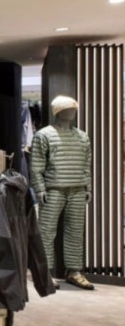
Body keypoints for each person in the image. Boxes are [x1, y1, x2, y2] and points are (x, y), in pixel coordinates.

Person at [31, 95, 94, 290]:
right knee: (46, 231)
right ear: (58, 111)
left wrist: (88, 187)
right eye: (68, 108)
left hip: (77, 189)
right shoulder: (44, 135)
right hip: (53, 189)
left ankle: (74, 271)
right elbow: (36, 165)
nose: (72, 111)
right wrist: (40, 188)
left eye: (74, 108)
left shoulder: (82, 136)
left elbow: (86, 164)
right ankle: (45, 272)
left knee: (76, 231)